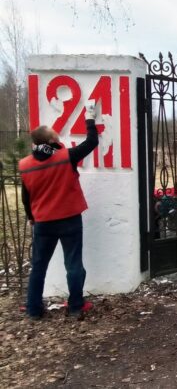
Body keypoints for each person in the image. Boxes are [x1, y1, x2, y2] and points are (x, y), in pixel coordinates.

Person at [20, 103, 98, 320]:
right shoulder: (66, 156)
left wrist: (31, 217)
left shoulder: (25, 165)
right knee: (73, 265)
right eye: (55, 134)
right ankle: (76, 307)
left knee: (38, 266)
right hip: (69, 219)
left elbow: (26, 197)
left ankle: (33, 309)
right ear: (52, 140)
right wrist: (90, 118)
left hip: (43, 223)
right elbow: (92, 142)